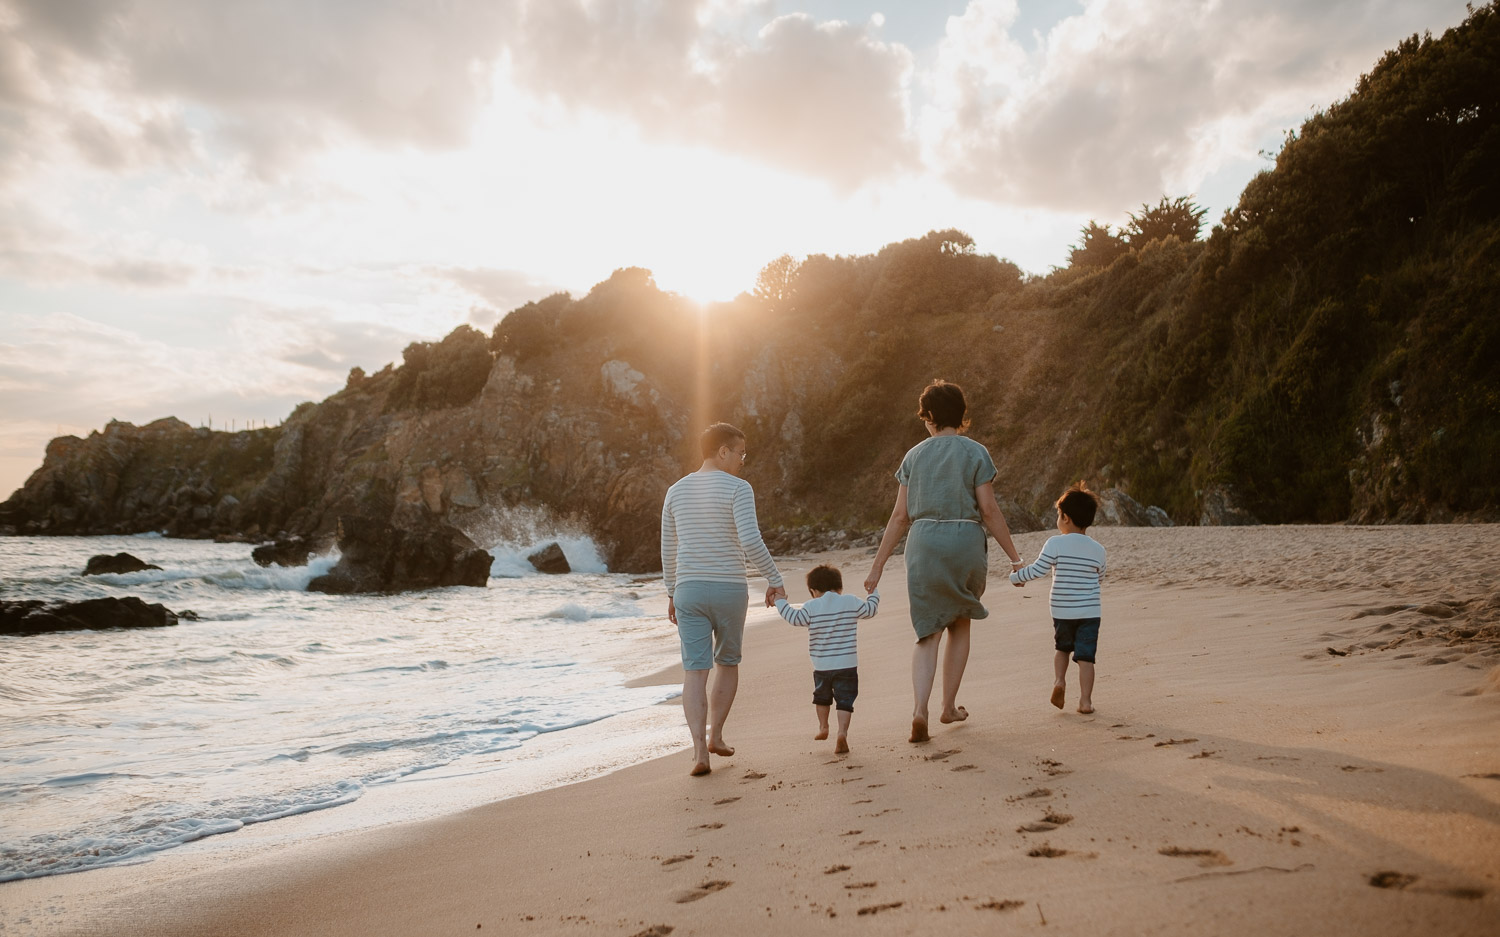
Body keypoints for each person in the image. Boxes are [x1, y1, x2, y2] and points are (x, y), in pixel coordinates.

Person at [865, 380, 1024, 743]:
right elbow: (988, 509)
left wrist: (876, 567)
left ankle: (919, 710)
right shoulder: (976, 452)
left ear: (930, 416)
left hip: (923, 544)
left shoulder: (914, 456)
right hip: (964, 540)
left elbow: (900, 517)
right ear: (961, 415)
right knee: (960, 622)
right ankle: (948, 706)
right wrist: (1015, 558)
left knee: (927, 633)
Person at [661, 422, 786, 776]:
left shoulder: (675, 491)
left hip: (689, 590)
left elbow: (668, 549)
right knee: (727, 663)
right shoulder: (738, 488)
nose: (743, 461)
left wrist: (672, 591)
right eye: (741, 453)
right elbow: (749, 539)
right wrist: (775, 580)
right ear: (723, 451)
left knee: (694, 672)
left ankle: (700, 751)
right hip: (729, 588)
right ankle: (716, 735)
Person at [1010, 483, 1107, 714]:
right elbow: (1100, 577)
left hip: (1062, 610)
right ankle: (1085, 701)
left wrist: (1015, 577)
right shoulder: (1098, 549)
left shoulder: (1055, 543)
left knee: (1062, 648)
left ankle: (1059, 682)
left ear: (1065, 517)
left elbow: (1037, 569)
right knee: (1086, 657)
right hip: (1090, 612)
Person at [774, 564, 880, 755]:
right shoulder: (850, 601)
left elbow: (793, 618)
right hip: (847, 664)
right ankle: (842, 733)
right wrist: (873, 593)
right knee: (845, 700)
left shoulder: (812, 606)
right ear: (840, 588)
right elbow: (871, 610)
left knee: (822, 698)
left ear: (813, 591)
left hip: (822, 665)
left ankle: (823, 727)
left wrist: (780, 601)